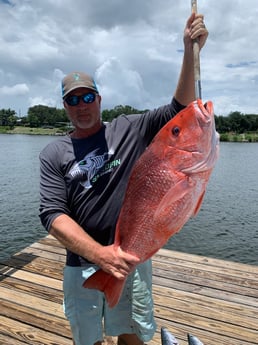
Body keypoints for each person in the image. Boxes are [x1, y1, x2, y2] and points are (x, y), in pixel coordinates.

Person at [39, 12, 208, 345]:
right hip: (81, 264)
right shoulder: (53, 152)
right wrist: (100, 256)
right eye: (73, 99)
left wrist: (189, 49)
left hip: (132, 257)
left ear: (99, 99)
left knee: (131, 335)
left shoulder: (128, 128)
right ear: (64, 106)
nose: (81, 105)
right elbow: (52, 215)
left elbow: (180, 108)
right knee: (87, 340)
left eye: (88, 97)